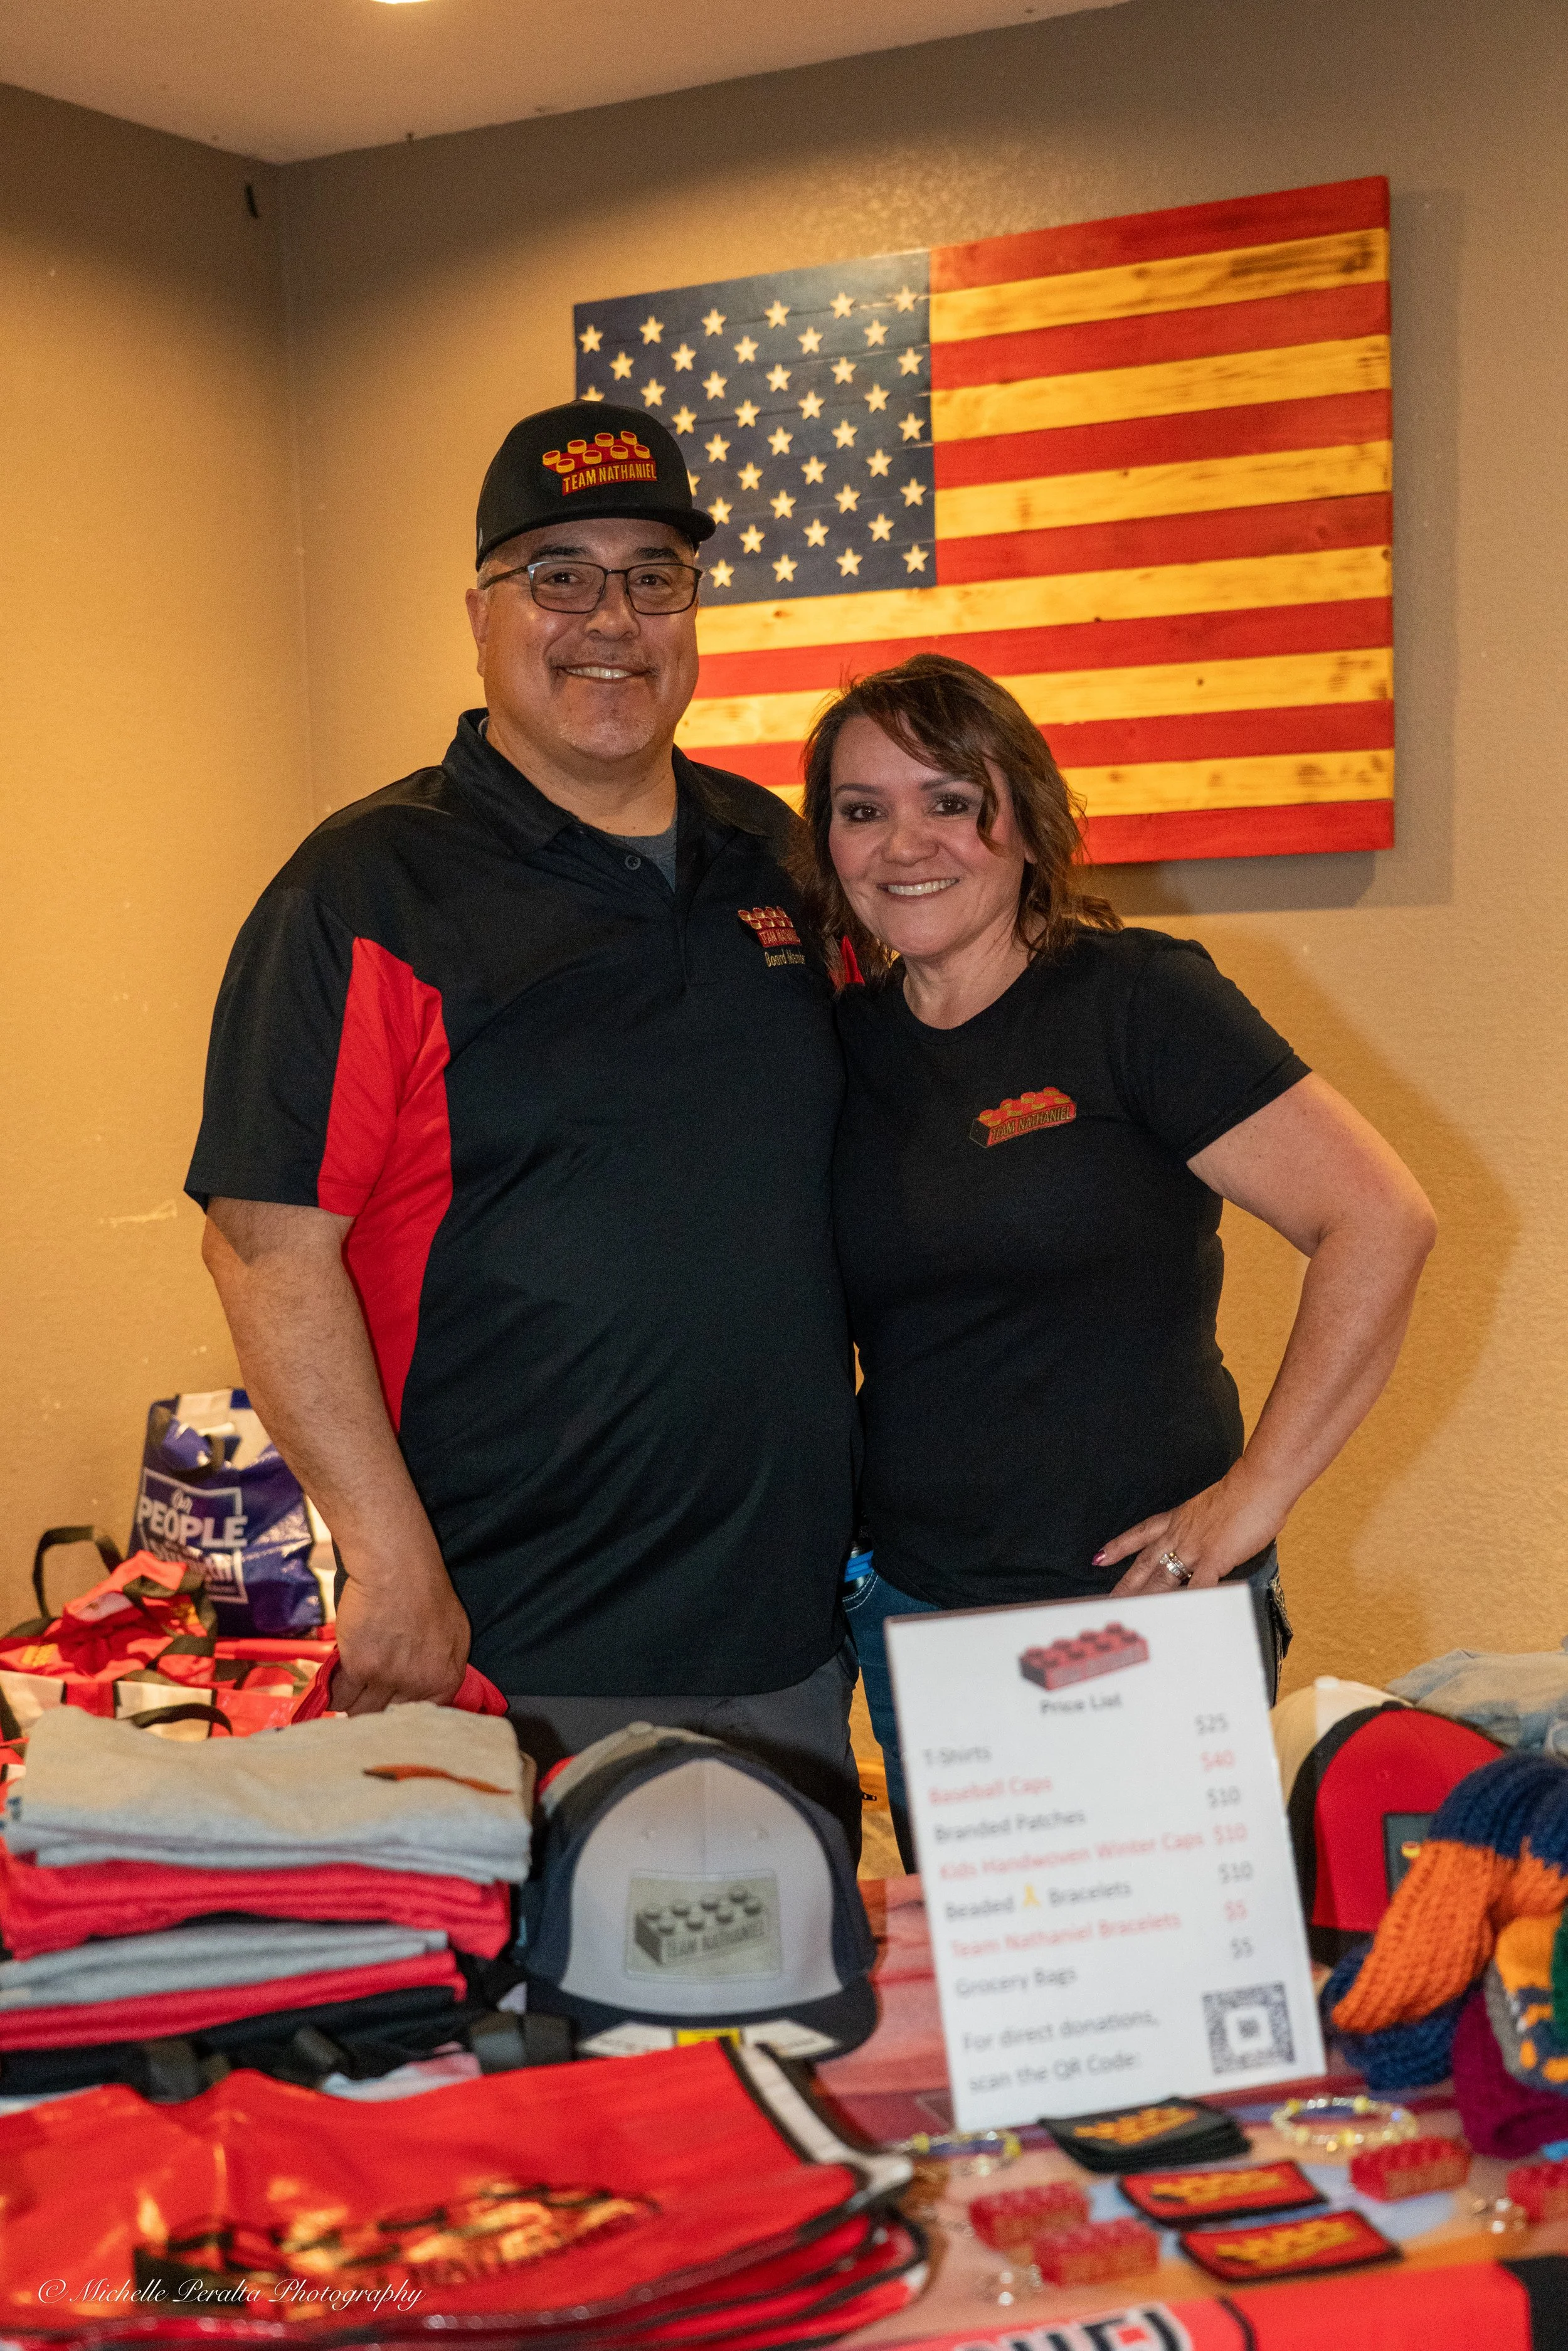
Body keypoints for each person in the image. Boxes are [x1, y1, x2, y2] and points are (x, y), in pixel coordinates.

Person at [186, 401, 864, 1850]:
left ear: (692, 608)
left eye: (652, 574)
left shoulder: (784, 859)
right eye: (559, 573)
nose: (608, 618)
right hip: (512, 1655)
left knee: (786, 2046)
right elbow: (263, 1248)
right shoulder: (364, 891)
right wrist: (387, 1559)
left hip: (787, 1642)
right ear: (481, 612)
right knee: (535, 2065)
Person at [792, 653, 1436, 1865]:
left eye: (950, 799)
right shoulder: (836, 1049)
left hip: (1141, 1607)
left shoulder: (1134, 1001)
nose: (903, 841)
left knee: (1168, 1997)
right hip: (920, 1612)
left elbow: (1379, 1221)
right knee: (1012, 1997)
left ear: (1027, 819)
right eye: (862, 809)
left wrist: (1246, 1505)